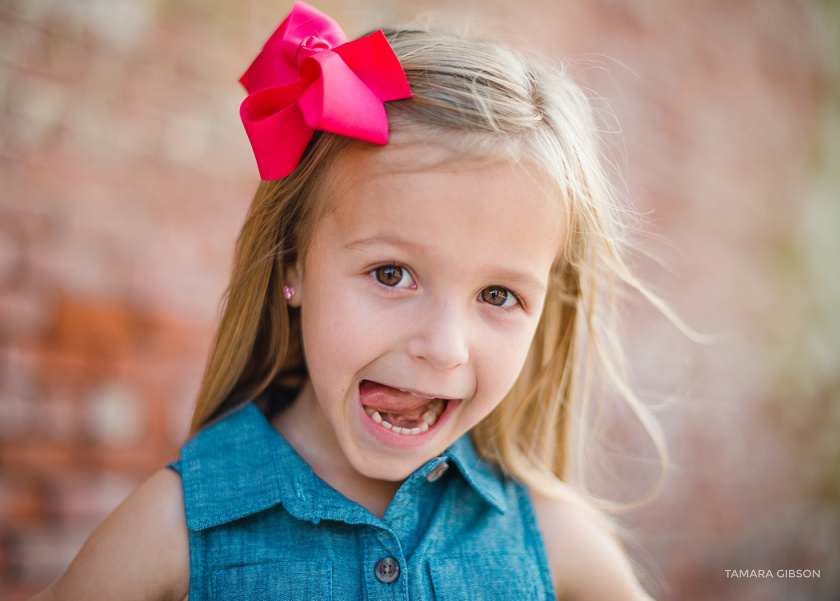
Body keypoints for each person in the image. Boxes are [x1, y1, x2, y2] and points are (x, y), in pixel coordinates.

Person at [34, 2, 662, 599]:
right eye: (391, 274)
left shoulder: (556, 545)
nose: (444, 348)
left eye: (497, 295)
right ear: (293, 265)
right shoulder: (171, 534)